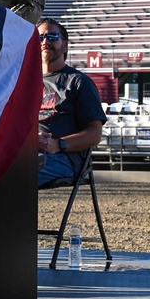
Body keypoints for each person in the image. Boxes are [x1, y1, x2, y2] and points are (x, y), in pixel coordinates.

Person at [36, 18, 106, 186]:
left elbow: (95, 134)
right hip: (28, 153)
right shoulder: (24, 82)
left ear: (65, 46)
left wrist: (59, 144)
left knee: (15, 171)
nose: (45, 42)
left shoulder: (78, 81)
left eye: (52, 36)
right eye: (40, 38)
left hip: (65, 159)